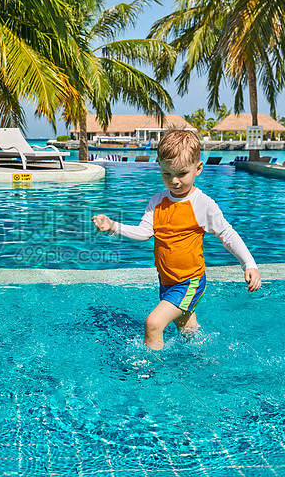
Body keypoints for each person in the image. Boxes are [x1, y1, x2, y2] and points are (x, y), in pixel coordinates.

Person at [91, 129, 262, 350]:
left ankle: (151, 372)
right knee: (188, 330)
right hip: (167, 280)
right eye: (166, 174)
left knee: (153, 323)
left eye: (182, 173)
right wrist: (114, 226)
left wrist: (249, 264)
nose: (174, 181)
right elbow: (145, 233)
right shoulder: (157, 201)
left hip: (189, 281)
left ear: (198, 168)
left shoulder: (203, 204)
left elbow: (227, 234)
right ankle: (205, 360)